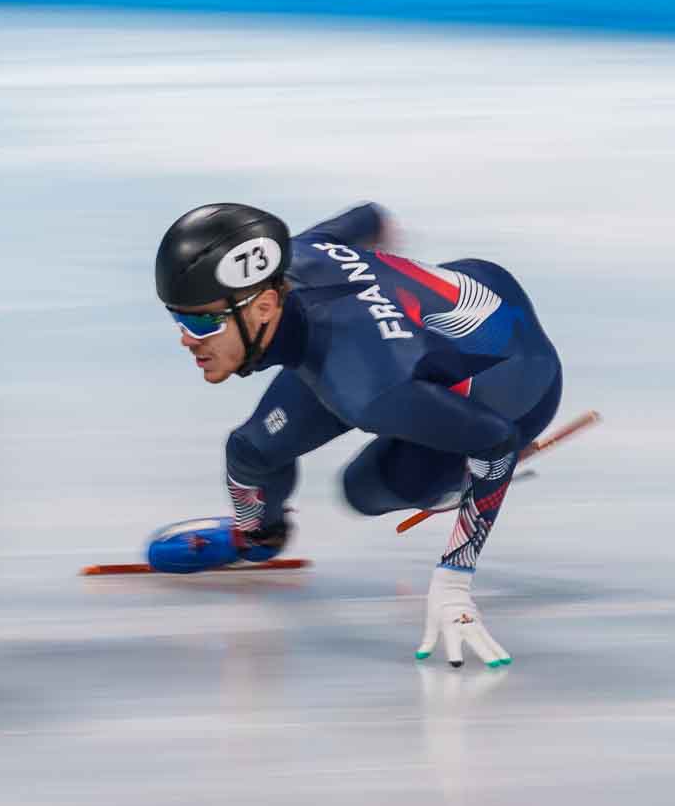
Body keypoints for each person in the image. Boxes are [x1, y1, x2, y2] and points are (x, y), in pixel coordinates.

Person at [151, 203, 562, 668]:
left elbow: (497, 443)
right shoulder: (298, 254)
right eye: (178, 319)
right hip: (447, 318)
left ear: (265, 306)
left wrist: (454, 581)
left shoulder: (370, 389)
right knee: (249, 451)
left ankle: (452, 479)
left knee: (363, 491)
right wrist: (387, 300)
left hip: (516, 387)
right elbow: (371, 218)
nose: (187, 339)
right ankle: (255, 538)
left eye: (202, 322)